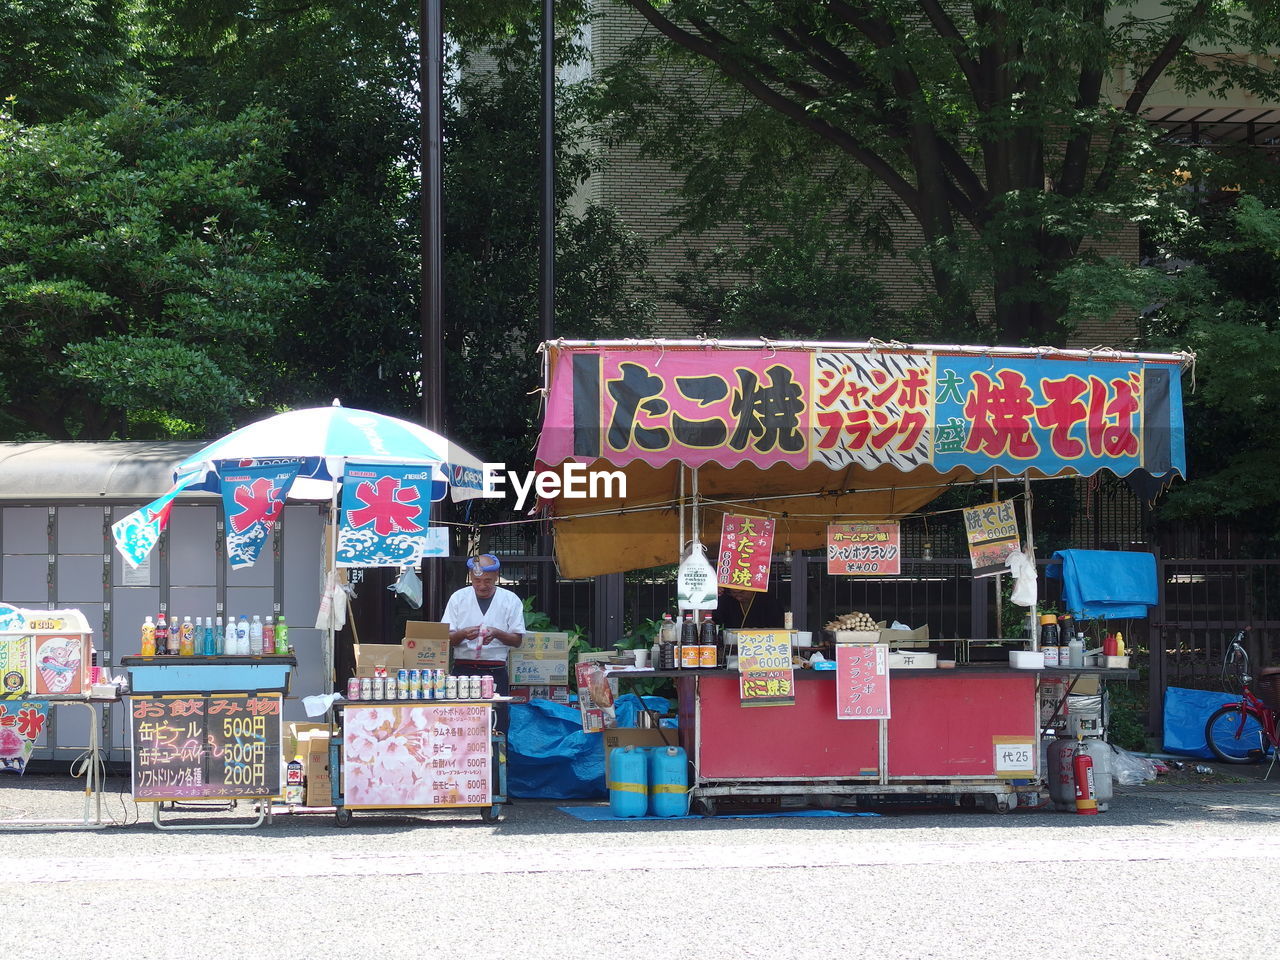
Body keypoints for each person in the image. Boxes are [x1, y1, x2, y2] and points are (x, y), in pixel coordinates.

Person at [442, 554, 525, 730]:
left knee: (497, 722)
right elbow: (446, 639)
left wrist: (497, 633)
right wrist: (463, 634)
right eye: (477, 580)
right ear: (470, 577)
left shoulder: (510, 600)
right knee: (461, 722)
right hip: (463, 670)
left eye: (487, 581)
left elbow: (517, 640)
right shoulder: (458, 598)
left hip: (495, 670)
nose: (482, 586)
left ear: (496, 575)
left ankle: (498, 758)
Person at [716, 586, 786, 630]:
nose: (738, 597)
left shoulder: (768, 601)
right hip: (732, 644)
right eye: (734, 593)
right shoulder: (728, 600)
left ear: (752, 588)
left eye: (742, 592)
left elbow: (778, 625)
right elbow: (715, 620)